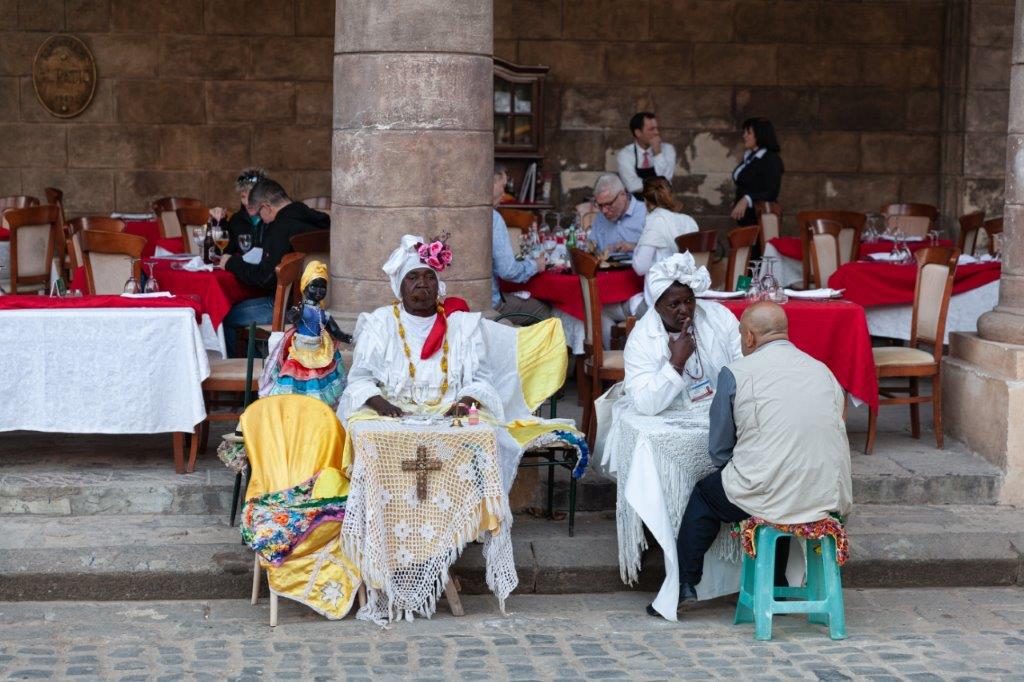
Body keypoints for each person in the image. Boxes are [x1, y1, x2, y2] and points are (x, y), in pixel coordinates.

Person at [669, 301, 852, 615]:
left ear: (750, 338)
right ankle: (779, 579)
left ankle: (685, 584)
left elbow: (719, 450)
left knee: (708, 494)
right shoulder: (822, 371)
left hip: (770, 490)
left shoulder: (737, 372)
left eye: (742, 336)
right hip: (827, 492)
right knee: (773, 485)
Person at [218, 178, 330, 354]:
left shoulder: (280, 228)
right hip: (319, 303)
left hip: (286, 307)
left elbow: (265, 278)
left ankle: (248, 373)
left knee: (223, 316)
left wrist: (232, 263)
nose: (262, 220)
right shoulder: (319, 220)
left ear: (267, 207)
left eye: (259, 214)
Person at [259, 260, 353, 409]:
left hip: (318, 352)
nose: (318, 291)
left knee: (317, 382)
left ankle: (314, 410)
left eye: (322, 288)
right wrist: (296, 313)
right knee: (296, 382)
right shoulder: (301, 309)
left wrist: (347, 337)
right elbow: (292, 317)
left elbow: (335, 331)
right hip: (300, 352)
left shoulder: (324, 314)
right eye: (313, 286)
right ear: (305, 287)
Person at [491, 163, 549, 320]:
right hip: (490, 306)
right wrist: (536, 265)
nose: (504, 194)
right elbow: (508, 271)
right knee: (545, 311)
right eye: (502, 186)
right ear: (490, 183)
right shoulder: (493, 218)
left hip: (460, 304)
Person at [632, 176, 699, 278]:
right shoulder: (689, 221)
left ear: (646, 201)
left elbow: (640, 267)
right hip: (689, 288)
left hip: (663, 290)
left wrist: (636, 249)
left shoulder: (655, 220)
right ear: (670, 195)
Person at [730, 117, 784, 226]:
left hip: (760, 217)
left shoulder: (771, 159)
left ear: (760, 135)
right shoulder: (750, 157)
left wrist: (747, 198)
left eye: (748, 133)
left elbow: (772, 192)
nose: (744, 135)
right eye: (744, 132)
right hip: (745, 217)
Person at [616, 112, 676, 196]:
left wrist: (657, 152)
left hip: (662, 201)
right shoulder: (625, 154)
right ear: (638, 133)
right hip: (637, 204)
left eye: (657, 128)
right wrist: (658, 185)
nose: (657, 132)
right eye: (652, 129)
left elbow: (666, 179)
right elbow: (632, 185)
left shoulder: (668, 149)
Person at [588, 173, 647, 255]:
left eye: (608, 204)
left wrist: (634, 247)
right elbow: (592, 248)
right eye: (600, 205)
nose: (604, 210)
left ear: (623, 195)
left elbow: (663, 252)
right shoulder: (600, 218)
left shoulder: (646, 213)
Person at [219, 167, 266, 258]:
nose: (247, 202)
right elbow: (224, 252)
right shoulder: (237, 219)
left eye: (252, 196)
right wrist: (221, 223)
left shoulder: (273, 220)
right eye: (243, 196)